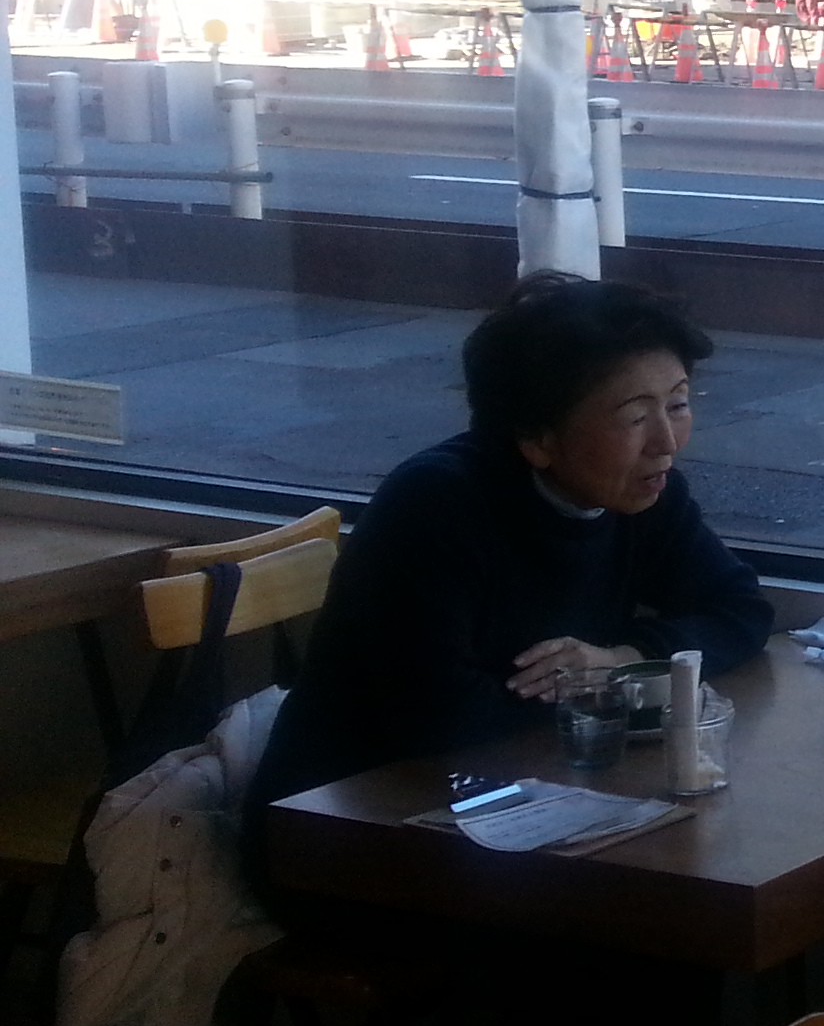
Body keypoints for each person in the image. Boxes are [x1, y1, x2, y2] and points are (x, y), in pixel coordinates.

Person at [244, 273, 771, 832]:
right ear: (537, 438)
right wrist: (586, 691)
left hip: (514, 800)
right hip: (348, 825)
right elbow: (440, 720)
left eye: (679, 404)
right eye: (635, 418)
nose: (666, 442)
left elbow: (741, 609)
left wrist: (620, 660)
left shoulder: (644, 497)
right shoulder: (435, 506)